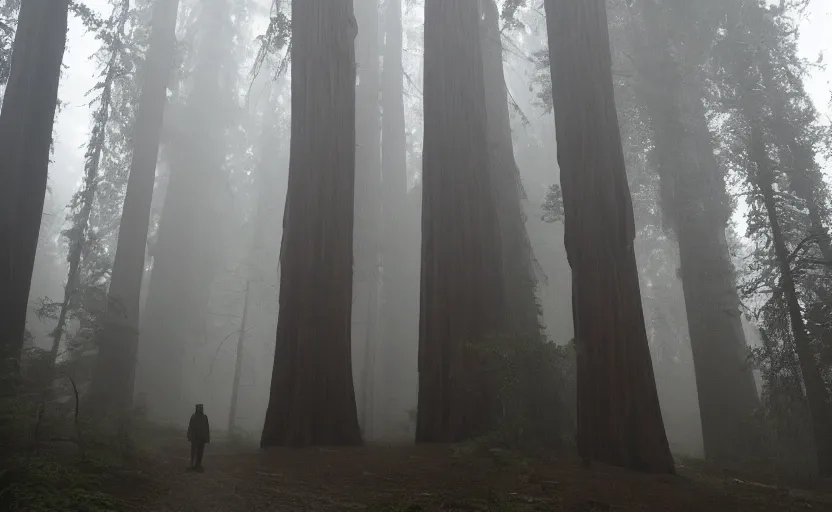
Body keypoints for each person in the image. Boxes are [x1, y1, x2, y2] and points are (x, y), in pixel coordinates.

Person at [187, 404, 210, 471]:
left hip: (201, 438)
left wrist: (207, 437)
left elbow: (206, 428)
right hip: (195, 437)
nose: (200, 409)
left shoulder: (204, 417)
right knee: (193, 451)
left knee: (200, 452)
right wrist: (189, 435)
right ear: (197, 408)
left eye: (201, 408)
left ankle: (198, 464)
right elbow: (190, 427)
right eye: (199, 408)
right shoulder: (194, 417)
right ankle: (192, 464)